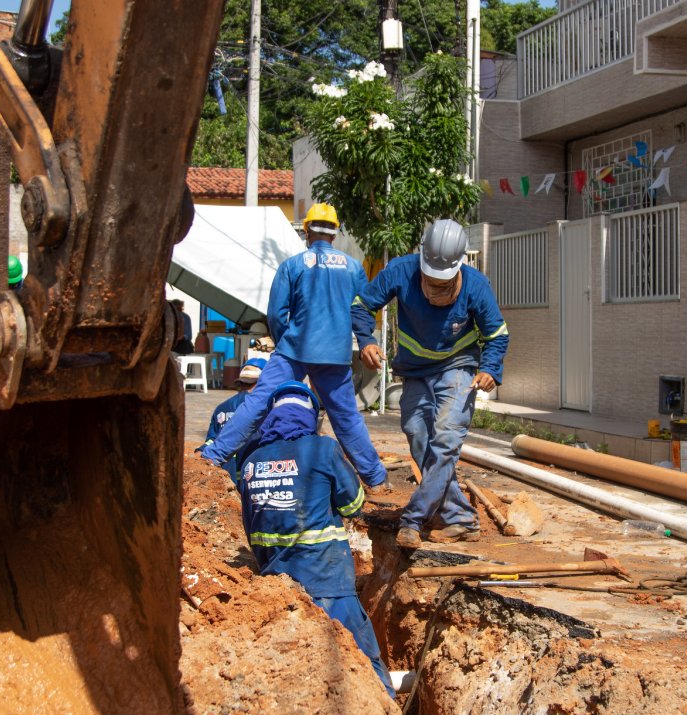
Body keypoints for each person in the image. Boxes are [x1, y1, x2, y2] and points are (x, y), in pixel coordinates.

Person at [200, 203, 388, 490]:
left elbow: (276, 313)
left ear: (306, 230)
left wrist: (285, 339)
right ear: (335, 234)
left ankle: (214, 455)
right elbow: (361, 311)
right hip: (335, 355)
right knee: (346, 417)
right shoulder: (353, 268)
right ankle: (375, 478)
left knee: (258, 403)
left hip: (294, 350)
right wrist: (364, 341)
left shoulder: (292, 266)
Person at [352, 219, 508, 549]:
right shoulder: (400, 271)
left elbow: (497, 335)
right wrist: (366, 340)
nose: (437, 288)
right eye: (431, 281)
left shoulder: (476, 286)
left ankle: (415, 519)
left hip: (458, 368)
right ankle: (460, 518)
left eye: (444, 283)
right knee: (418, 435)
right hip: (415, 371)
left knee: (447, 439)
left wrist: (491, 369)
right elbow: (362, 305)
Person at [237, 381, 395, 698]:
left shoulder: (250, 464)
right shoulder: (322, 449)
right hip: (328, 583)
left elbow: (251, 527)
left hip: (279, 590)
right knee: (366, 662)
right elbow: (353, 505)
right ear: (310, 417)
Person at [197, 356, 268, 476]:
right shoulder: (265, 408)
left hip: (226, 475)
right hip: (254, 475)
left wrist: (202, 450)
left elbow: (211, 440)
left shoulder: (221, 408)